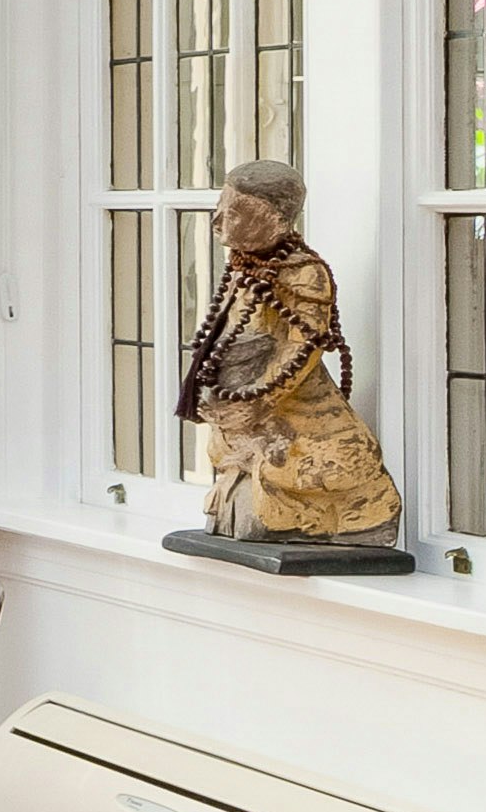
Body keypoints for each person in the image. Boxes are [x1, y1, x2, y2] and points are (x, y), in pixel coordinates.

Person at [172, 159, 408, 547]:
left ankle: (329, 517)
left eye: (235, 212)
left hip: (288, 407)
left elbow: (303, 347)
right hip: (244, 403)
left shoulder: (304, 272)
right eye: (220, 206)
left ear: (276, 220)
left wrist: (260, 399)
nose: (218, 220)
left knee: (301, 463)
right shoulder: (245, 266)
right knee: (236, 456)